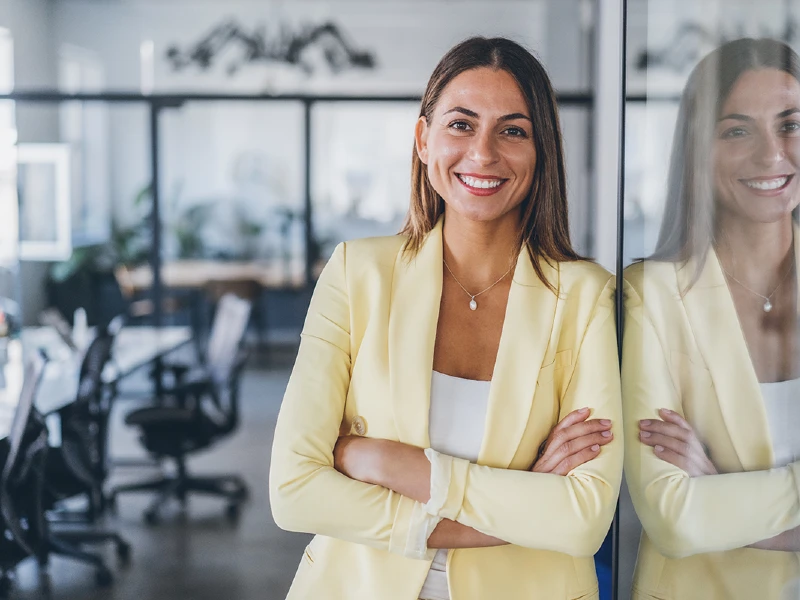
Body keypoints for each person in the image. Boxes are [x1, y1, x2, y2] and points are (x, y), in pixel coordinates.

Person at [270, 36, 622, 600]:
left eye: (513, 130)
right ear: (423, 139)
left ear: (541, 151)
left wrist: (386, 461)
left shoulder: (587, 297)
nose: (483, 153)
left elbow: (582, 519)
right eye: (461, 124)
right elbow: (294, 492)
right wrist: (524, 499)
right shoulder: (356, 273)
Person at [623, 38, 800, 600]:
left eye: (790, 124)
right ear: (700, 149)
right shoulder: (650, 293)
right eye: (737, 130)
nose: (771, 154)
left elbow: (704, 510)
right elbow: (677, 518)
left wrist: (722, 491)